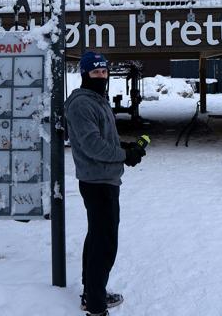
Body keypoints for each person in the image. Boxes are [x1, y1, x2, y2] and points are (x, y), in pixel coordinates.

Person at [65, 51, 145, 316]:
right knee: (105, 243)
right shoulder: (81, 104)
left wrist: (125, 147)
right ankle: (96, 306)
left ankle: (92, 292)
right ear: (85, 74)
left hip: (104, 179)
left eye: (104, 72)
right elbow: (92, 145)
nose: (101, 76)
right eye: (95, 72)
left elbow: (103, 139)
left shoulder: (97, 100)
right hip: (97, 181)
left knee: (97, 239)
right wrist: (124, 155)